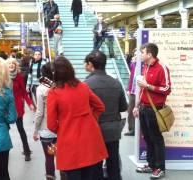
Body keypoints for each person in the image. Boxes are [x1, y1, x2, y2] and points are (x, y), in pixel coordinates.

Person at [47, 57, 107, 180]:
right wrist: (91, 119)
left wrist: (63, 128)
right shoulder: (83, 86)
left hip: (69, 142)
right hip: (90, 138)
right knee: (90, 174)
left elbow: (51, 124)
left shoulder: (54, 93)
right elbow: (100, 106)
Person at [84, 50, 128, 180]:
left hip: (94, 129)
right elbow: (123, 107)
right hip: (113, 128)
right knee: (113, 160)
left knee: (95, 163)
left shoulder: (85, 85)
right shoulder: (116, 83)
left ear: (91, 64)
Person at [133, 43, 171, 179]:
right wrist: (136, 106)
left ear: (149, 55)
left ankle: (160, 168)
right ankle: (151, 164)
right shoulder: (146, 67)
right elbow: (142, 89)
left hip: (155, 110)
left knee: (156, 139)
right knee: (148, 138)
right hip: (143, 108)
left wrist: (148, 86)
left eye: (142, 52)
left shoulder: (162, 68)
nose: (140, 55)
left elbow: (167, 89)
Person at [33, 62, 60, 180]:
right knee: (61, 156)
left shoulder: (41, 89)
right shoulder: (60, 86)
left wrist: (35, 130)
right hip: (61, 128)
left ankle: (51, 177)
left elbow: (40, 112)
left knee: (49, 157)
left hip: (47, 129)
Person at [6, 58, 35, 161]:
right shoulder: (3, 78)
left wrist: (30, 103)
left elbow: (24, 92)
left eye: (13, 63)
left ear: (15, 65)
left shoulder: (19, 77)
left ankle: (27, 151)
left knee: (20, 129)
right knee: (5, 130)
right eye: (9, 63)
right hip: (6, 107)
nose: (11, 65)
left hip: (17, 106)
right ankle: (4, 152)